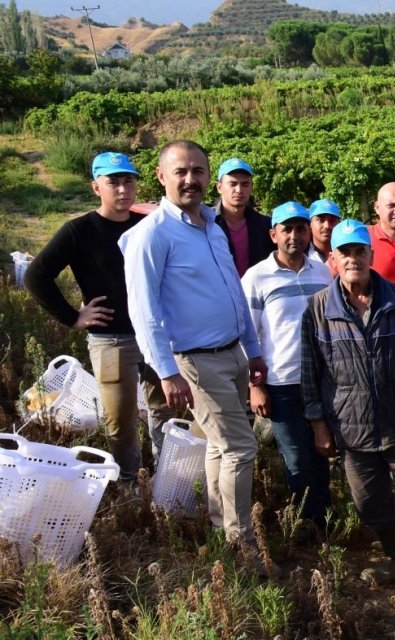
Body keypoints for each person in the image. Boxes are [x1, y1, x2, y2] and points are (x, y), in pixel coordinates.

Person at [120, 140, 268, 552]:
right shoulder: (150, 236)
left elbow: (234, 295)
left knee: (222, 445)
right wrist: (167, 371)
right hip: (197, 362)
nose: (190, 180)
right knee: (241, 446)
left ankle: (222, 525)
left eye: (198, 171)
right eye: (180, 172)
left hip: (232, 354)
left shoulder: (212, 226)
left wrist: (252, 349)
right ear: (161, 176)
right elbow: (144, 312)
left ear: (208, 177)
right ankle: (243, 544)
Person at [300, 219, 395, 618]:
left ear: (371, 255)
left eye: (359, 251)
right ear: (332, 260)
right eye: (344, 252)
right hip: (352, 431)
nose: (353, 259)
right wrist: (318, 423)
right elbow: (309, 373)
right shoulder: (318, 310)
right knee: (371, 507)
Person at [24, 152, 177, 482]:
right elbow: (36, 274)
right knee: (120, 420)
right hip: (111, 339)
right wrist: (73, 317)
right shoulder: (79, 231)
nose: (123, 189)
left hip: (155, 336)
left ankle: (168, 478)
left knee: (163, 409)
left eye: (128, 180)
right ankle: (129, 484)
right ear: (97, 188)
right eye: (113, 182)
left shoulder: (147, 227)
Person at [241, 202, 332, 544]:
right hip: (280, 383)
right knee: (296, 458)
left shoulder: (321, 272)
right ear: (273, 234)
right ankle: (305, 526)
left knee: (322, 452)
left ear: (309, 232)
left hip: (320, 381)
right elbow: (247, 335)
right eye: (287, 229)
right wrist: (255, 386)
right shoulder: (256, 277)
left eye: (300, 229)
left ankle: (323, 521)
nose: (294, 236)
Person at [212, 158, 273, 277]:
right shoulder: (206, 223)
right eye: (233, 184)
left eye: (245, 184)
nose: (239, 190)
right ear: (219, 187)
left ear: (251, 187)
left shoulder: (265, 225)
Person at [307, 198, 342, 276]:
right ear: (310, 224)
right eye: (321, 220)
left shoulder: (347, 255)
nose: (327, 226)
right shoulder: (301, 255)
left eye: (332, 220)